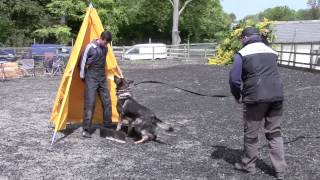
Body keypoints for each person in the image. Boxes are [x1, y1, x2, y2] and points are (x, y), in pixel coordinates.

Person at [229, 27, 287, 180]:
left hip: (255, 98)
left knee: (251, 134)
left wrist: (237, 95)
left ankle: (248, 165)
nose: (241, 41)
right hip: (277, 96)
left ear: (245, 38)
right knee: (274, 132)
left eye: (241, 38)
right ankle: (280, 169)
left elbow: (234, 79)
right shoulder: (271, 51)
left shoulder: (242, 53)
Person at [79, 31, 123, 138]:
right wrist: (83, 77)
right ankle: (86, 130)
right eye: (105, 42)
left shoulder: (106, 48)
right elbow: (82, 62)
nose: (106, 45)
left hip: (102, 77)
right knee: (90, 104)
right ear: (101, 38)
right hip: (91, 77)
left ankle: (107, 125)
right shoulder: (90, 47)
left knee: (107, 101)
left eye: (108, 43)